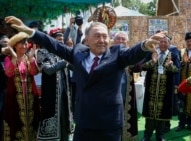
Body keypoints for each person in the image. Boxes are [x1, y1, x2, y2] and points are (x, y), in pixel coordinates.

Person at [5, 16, 165, 141]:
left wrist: (144, 45)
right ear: (87, 40)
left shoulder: (118, 54)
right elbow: (54, 44)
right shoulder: (78, 53)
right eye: (97, 36)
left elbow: (132, 54)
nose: (102, 40)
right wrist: (28, 30)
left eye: (105, 36)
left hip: (108, 124)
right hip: (83, 122)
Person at [139, 35, 180, 141]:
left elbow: (177, 70)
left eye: (165, 42)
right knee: (150, 111)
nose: (163, 44)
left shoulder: (173, 54)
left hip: (165, 89)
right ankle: (147, 135)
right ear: (158, 43)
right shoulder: (151, 53)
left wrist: (170, 66)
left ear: (169, 44)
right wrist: (152, 61)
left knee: (163, 112)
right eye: (161, 42)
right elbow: (142, 67)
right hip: (151, 88)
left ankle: (160, 135)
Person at [36, 28, 74, 141]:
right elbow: (48, 70)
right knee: (52, 116)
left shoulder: (64, 52)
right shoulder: (42, 52)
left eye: (62, 39)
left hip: (64, 92)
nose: (61, 42)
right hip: (51, 95)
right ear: (51, 40)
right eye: (58, 39)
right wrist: (64, 62)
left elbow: (74, 67)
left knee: (64, 117)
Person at [3, 32, 40, 141]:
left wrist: (32, 59)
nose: (25, 46)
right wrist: (14, 57)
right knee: (15, 121)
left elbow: (34, 72)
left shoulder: (28, 58)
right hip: (14, 97)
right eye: (22, 43)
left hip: (30, 97)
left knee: (32, 121)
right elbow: (9, 73)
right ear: (15, 45)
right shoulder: (8, 59)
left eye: (26, 43)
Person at [113, 31, 138, 141]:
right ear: (114, 41)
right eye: (118, 38)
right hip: (111, 96)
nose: (121, 41)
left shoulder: (131, 54)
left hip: (126, 93)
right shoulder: (108, 54)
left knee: (126, 116)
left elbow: (139, 67)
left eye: (123, 39)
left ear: (127, 42)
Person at [0, 35, 9, 138]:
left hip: (8, 89)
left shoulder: (12, 56)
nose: (6, 44)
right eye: (3, 42)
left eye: (7, 42)